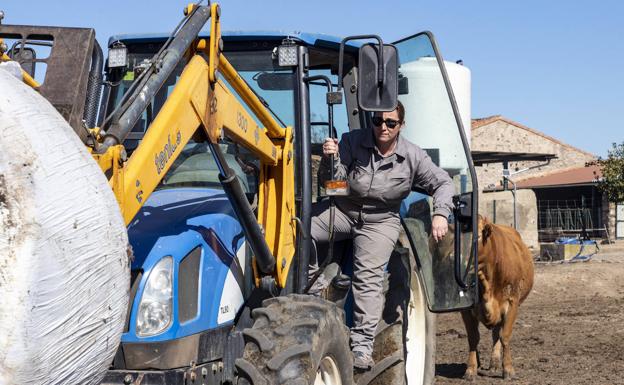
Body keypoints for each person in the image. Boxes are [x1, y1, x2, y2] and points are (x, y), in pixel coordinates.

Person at [310, 100, 454, 370]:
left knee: (368, 277)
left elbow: (443, 182)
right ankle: (312, 290)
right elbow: (333, 187)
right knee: (300, 229)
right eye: (377, 121)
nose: (383, 127)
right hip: (344, 209)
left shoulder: (413, 156)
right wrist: (331, 161)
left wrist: (440, 213)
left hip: (380, 220)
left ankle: (362, 346)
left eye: (391, 123)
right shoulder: (352, 141)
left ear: (401, 125)